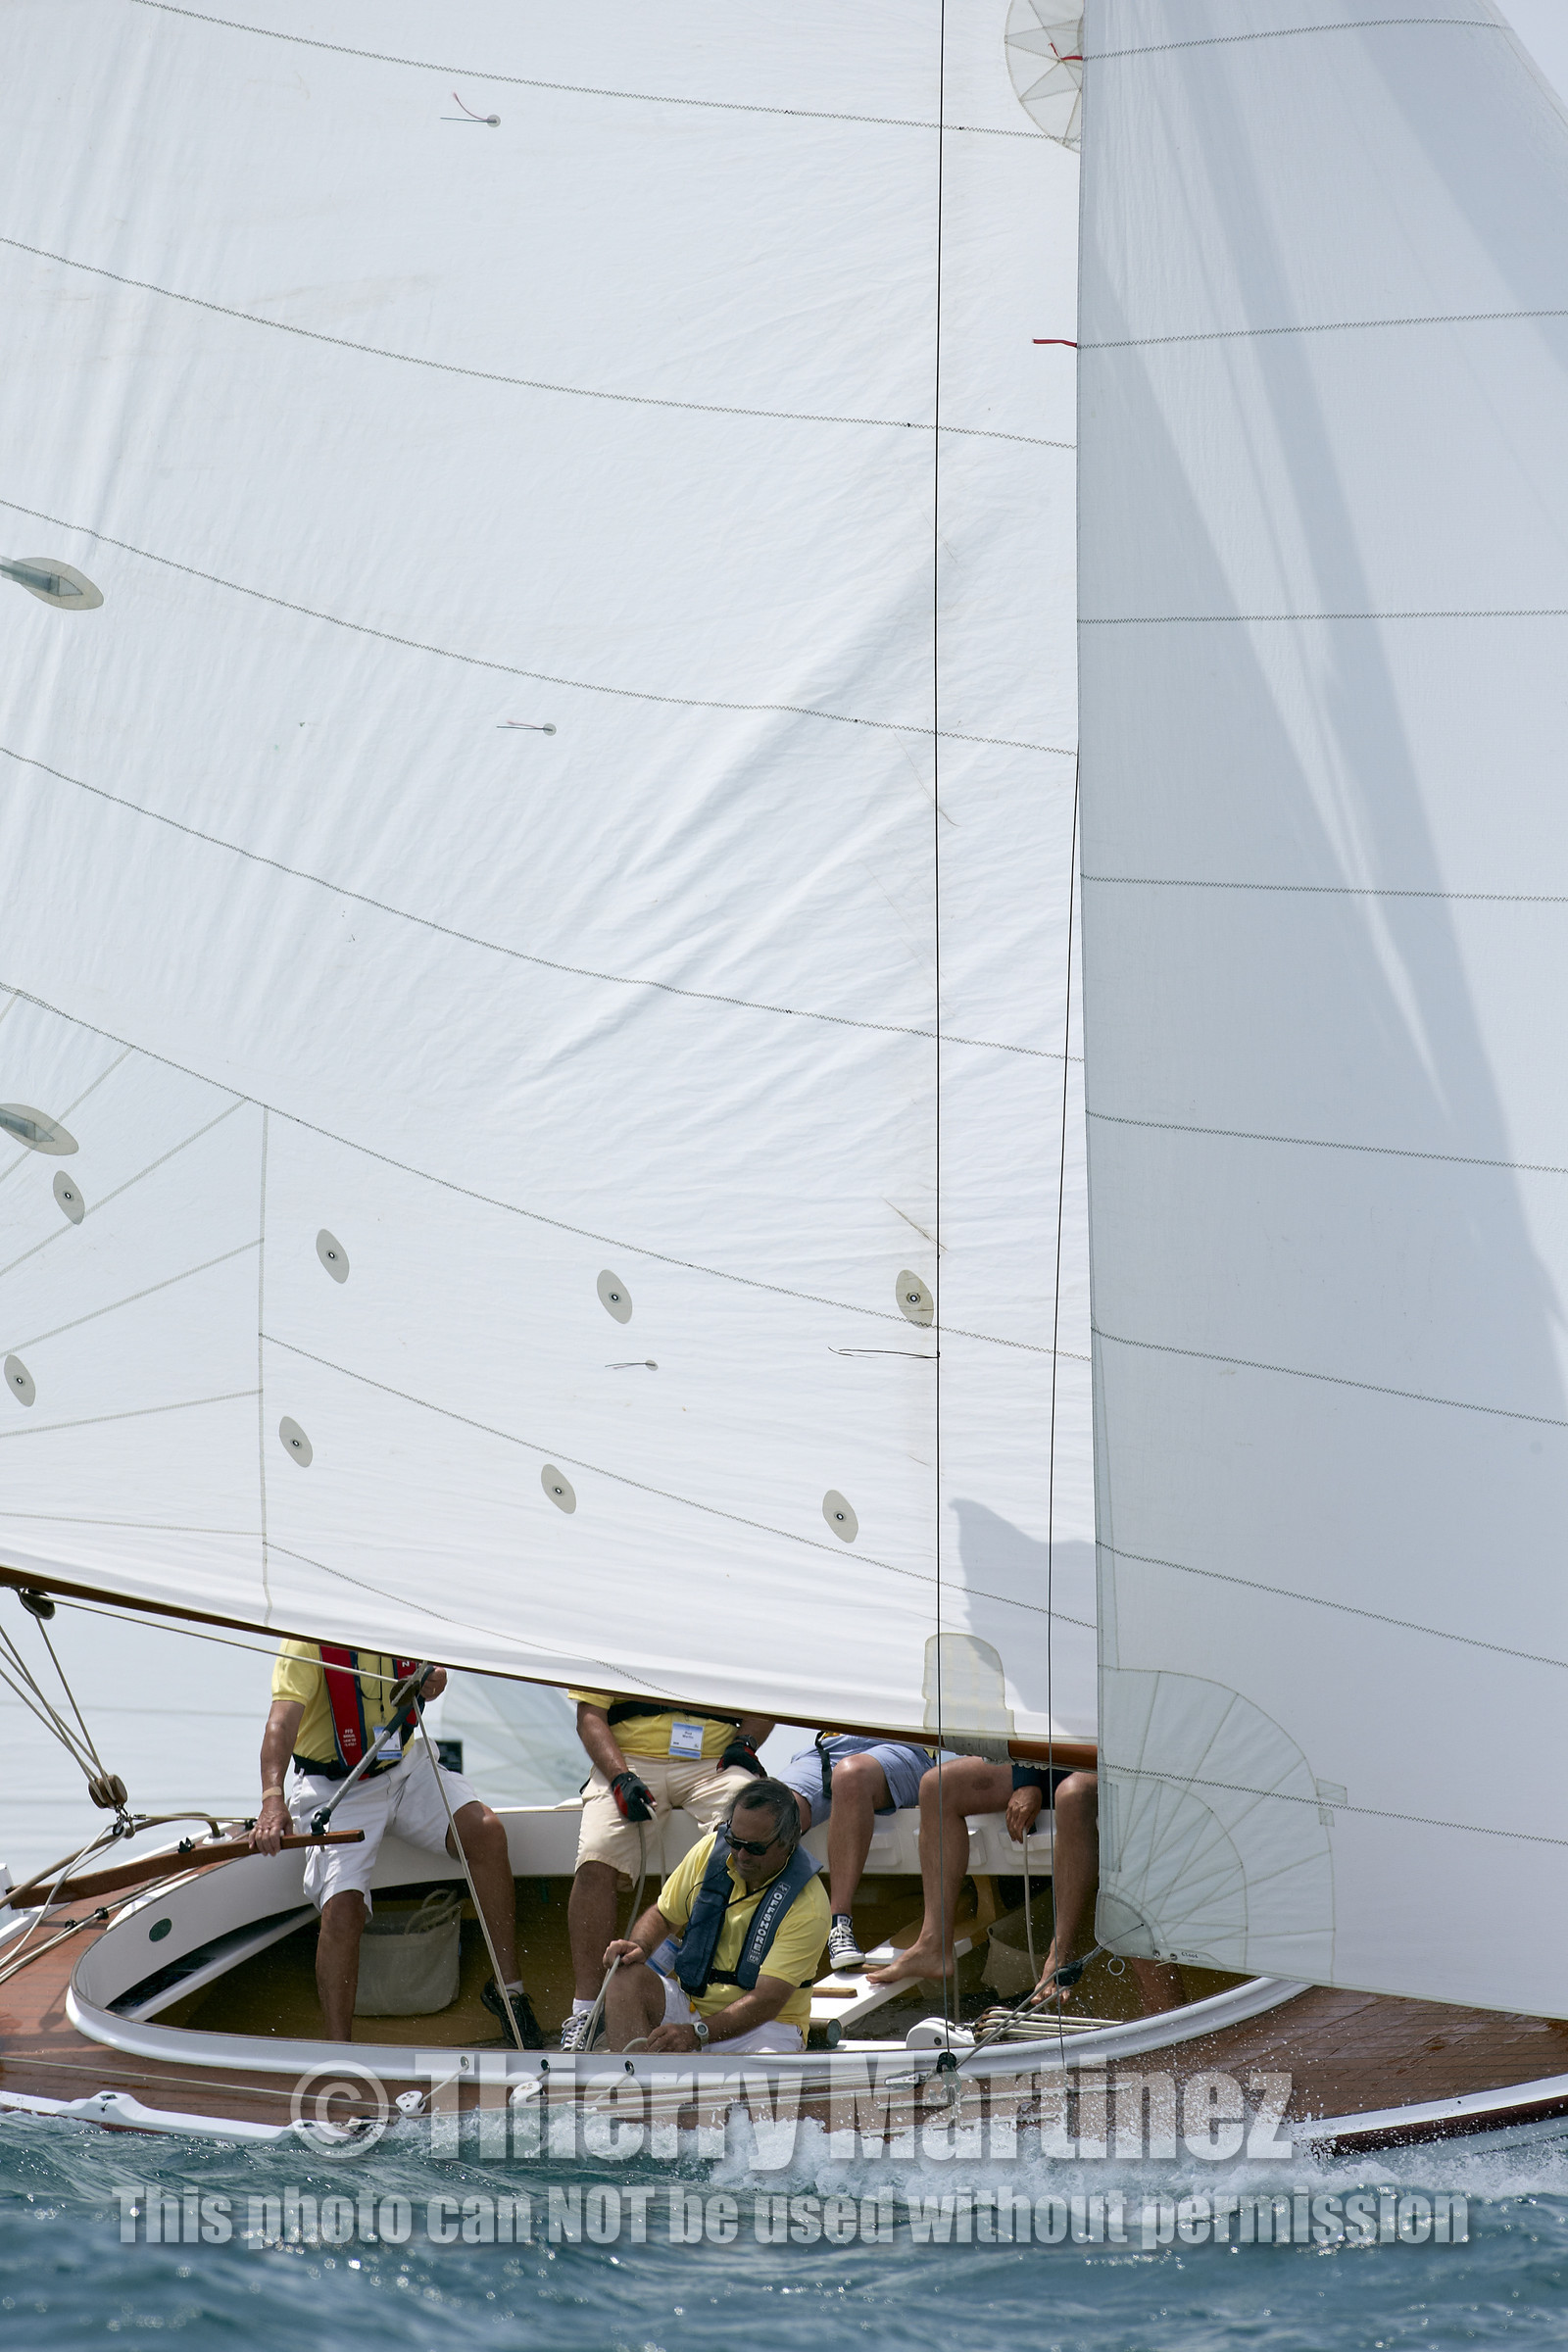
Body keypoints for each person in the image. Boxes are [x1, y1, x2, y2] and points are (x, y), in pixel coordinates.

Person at [251, 1640, 545, 2046]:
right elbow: (279, 1724)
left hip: (409, 1768)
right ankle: (341, 2054)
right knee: (342, 1909)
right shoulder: (307, 1641)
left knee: (486, 1833)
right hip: (339, 1788)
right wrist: (271, 1800)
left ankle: (509, 1991)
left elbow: (436, 1668)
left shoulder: (391, 1619)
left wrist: (435, 1680)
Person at [866, 1757, 1183, 2014]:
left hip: (1118, 1758)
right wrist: (1027, 1778)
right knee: (939, 1784)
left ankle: (1062, 1952)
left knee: (1072, 1795)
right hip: (1050, 1756)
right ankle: (933, 1945)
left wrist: (1029, 1779)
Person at [562, 1689, 775, 2050]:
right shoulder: (612, 1631)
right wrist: (619, 1777)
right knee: (596, 1858)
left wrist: (746, 1743)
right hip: (629, 1761)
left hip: (715, 1764)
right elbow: (590, 1715)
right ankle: (585, 2011)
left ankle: (739, 1998)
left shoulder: (737, 1633)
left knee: (754, 1842)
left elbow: (765, 1700)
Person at [599, 1780, 828, 2054]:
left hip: (766, 2026)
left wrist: (698, 2034)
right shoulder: (709, 1853)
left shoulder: (809, 1905)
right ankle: (635, 2089)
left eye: (754, 1848)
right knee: (624, 1977)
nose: (741, 1855)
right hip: (692, 2007)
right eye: (734, 1840)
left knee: (767, 2066)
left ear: (788, 1842)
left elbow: (768, 2000)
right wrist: (641, 1946)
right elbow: (663, 1915)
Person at [774, 1733, 937, 1972]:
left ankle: (839, 1924)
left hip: (902, 1745)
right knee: (774, 1808)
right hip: (830, 1745)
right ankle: (759, 1931)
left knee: (851, 1775)